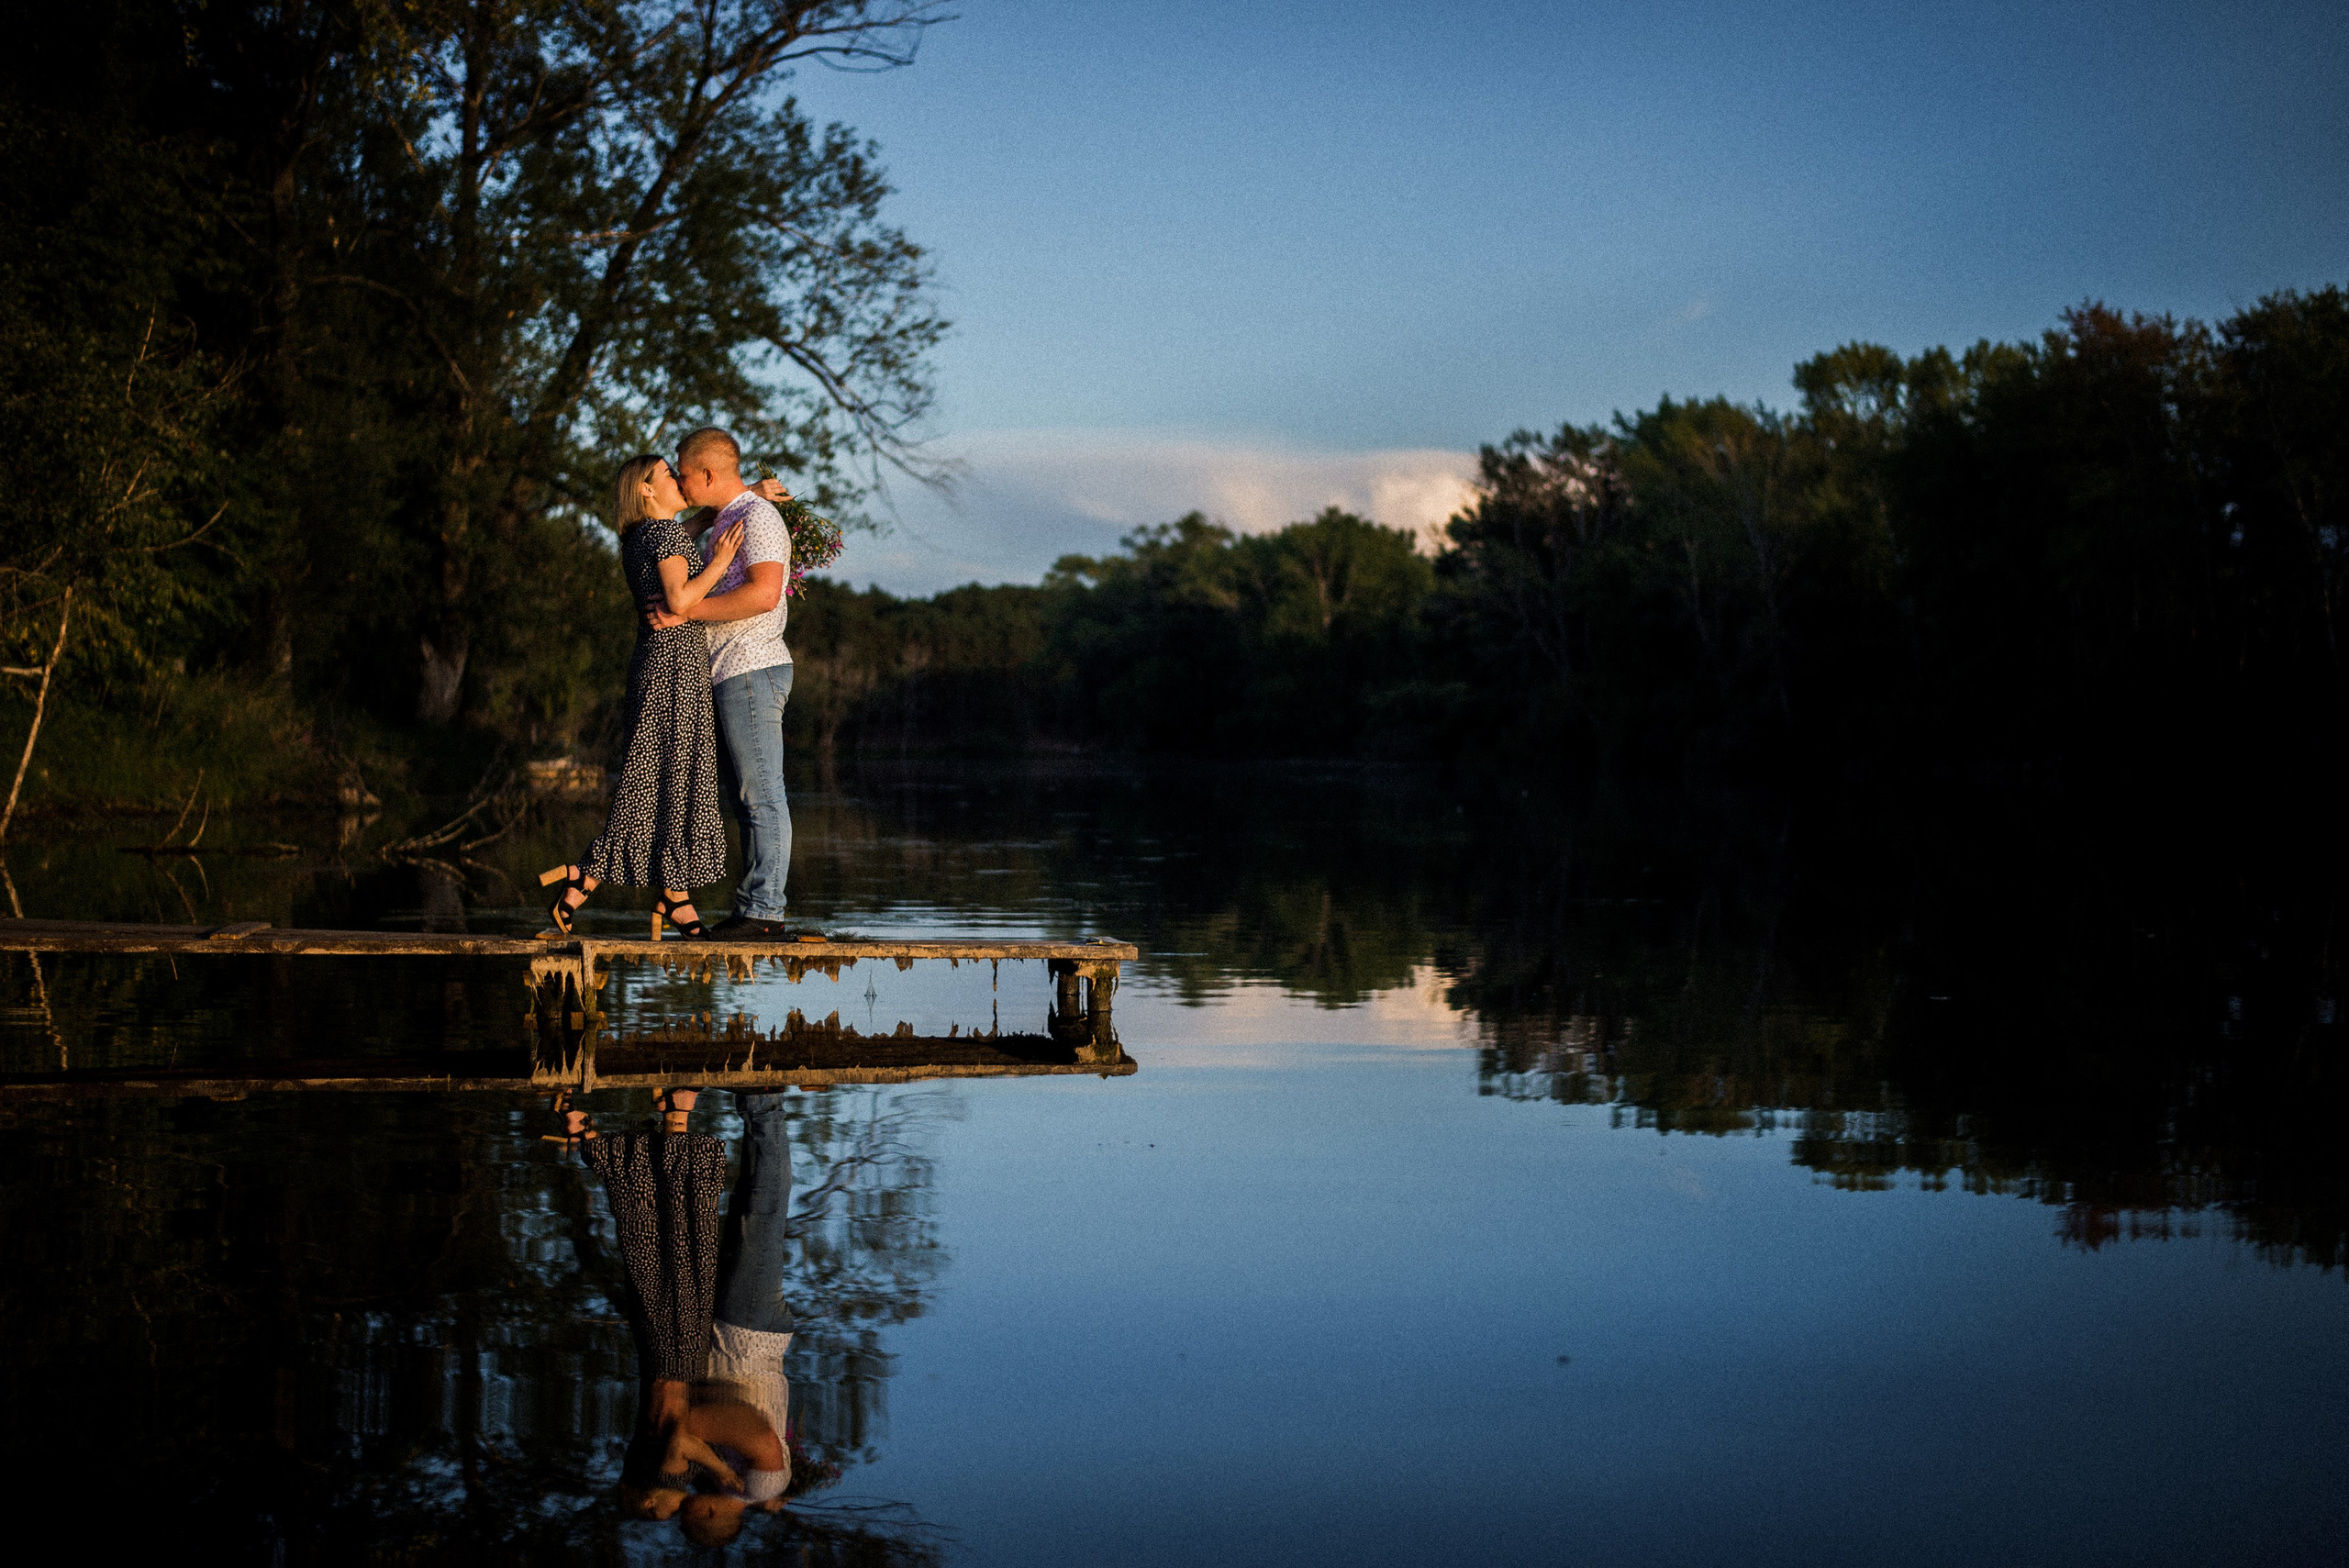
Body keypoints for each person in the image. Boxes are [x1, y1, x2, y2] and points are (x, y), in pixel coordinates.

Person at [538, 455, 744, 940]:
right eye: (668, 473)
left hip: (659, 664)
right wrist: (720, 562)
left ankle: (628, 887)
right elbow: (680, 600)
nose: (678, 477)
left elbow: (690, 528)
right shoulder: (663, 535)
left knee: (657, 778)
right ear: (646, 490)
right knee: (669, 777)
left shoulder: (643, 537)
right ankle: (637, 887)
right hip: (674, 667)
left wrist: (747, 492)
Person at [646, 428, 801, 941]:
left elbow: (763, 595)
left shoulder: (757, 519)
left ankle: (764, 912)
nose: (680, 480)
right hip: (732, 671)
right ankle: (754, 909)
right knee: (747, 798)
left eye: (685, 473)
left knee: (762, 795)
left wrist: (685, 611)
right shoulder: (732, 515)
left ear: (708, 474)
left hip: (752, 669)